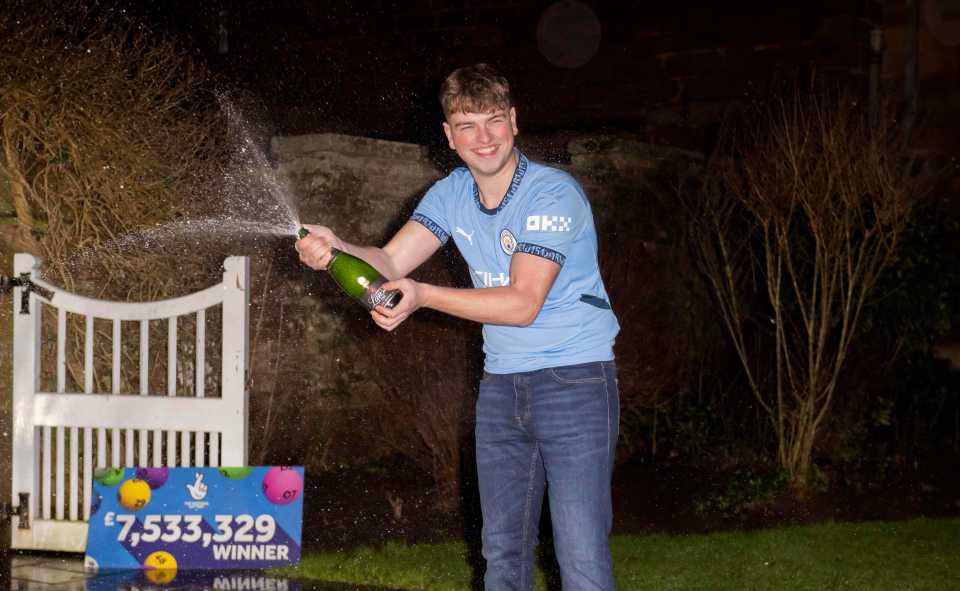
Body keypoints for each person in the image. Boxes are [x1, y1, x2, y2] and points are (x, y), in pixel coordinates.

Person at [297, 63, 620, 591]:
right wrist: (337, 249)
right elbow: (388, 261)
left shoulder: (551, 193)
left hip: (576, 383)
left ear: (513, 121)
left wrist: (423, 296)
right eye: (467, 125)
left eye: (493, 120)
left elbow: (522, 304)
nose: (483, 137)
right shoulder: (450, 194)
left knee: (580, 555)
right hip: (502, 388)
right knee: (502, 554)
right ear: (449, 136)